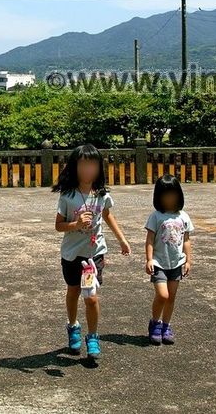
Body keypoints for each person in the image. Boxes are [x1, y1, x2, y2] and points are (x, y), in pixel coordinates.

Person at [54, 144, 131, 359]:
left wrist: (122, 240)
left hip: (93, 254)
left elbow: (107, 216)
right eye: (83, 165)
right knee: (73, 292)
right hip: (72, 254)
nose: (88, 169)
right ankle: (73, 326)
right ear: (75, 167)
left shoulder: (101, 194)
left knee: (91, 297)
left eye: (93, 165)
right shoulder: (68, 196)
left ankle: (93, 336)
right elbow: (58, 226)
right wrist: (76, 224)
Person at [144, 173, 194, 345]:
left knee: (171, 296)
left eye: (172, 194)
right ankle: (155, 322)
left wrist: (188, 260)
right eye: (165, 195)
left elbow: (186, 240)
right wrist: (149, 259)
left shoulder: (183, 216)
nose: (169, 198)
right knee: (162, 295)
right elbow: (150, 239)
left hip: (176, 262)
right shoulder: (156, 216)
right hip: (159, 262)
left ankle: (166, 325)